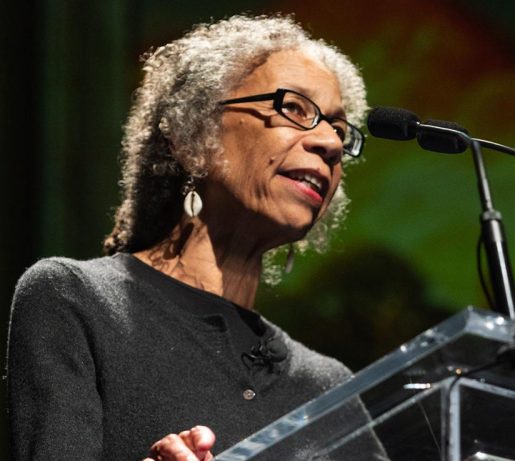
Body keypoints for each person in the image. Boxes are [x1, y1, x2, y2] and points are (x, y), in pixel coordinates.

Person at [7, 14, 383, 461]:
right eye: (295, 108)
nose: (331, 144)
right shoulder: (77, 301)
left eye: (339, 130)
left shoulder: (328, 388)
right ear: (193, 136)